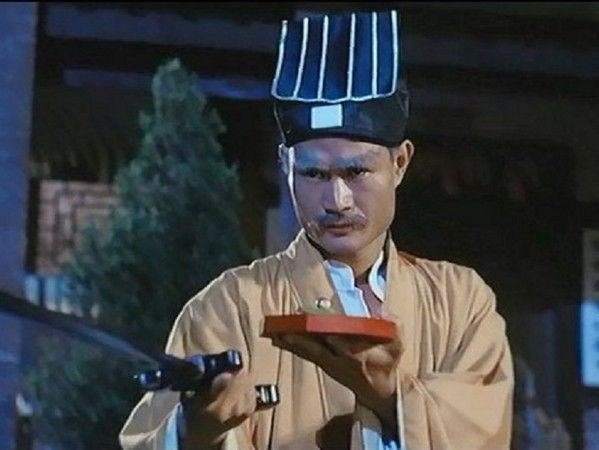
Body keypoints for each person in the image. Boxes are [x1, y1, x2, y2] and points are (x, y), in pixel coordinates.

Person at [120, 9, 514, 450]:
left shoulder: (458, 301)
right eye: (314, 175)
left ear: (400, 163)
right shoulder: (230, 305)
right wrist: (195, 430)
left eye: (356, 172)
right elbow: (149, 440)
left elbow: (484, 432)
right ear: (286, 166)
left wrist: (387, 394)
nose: (337, 200)